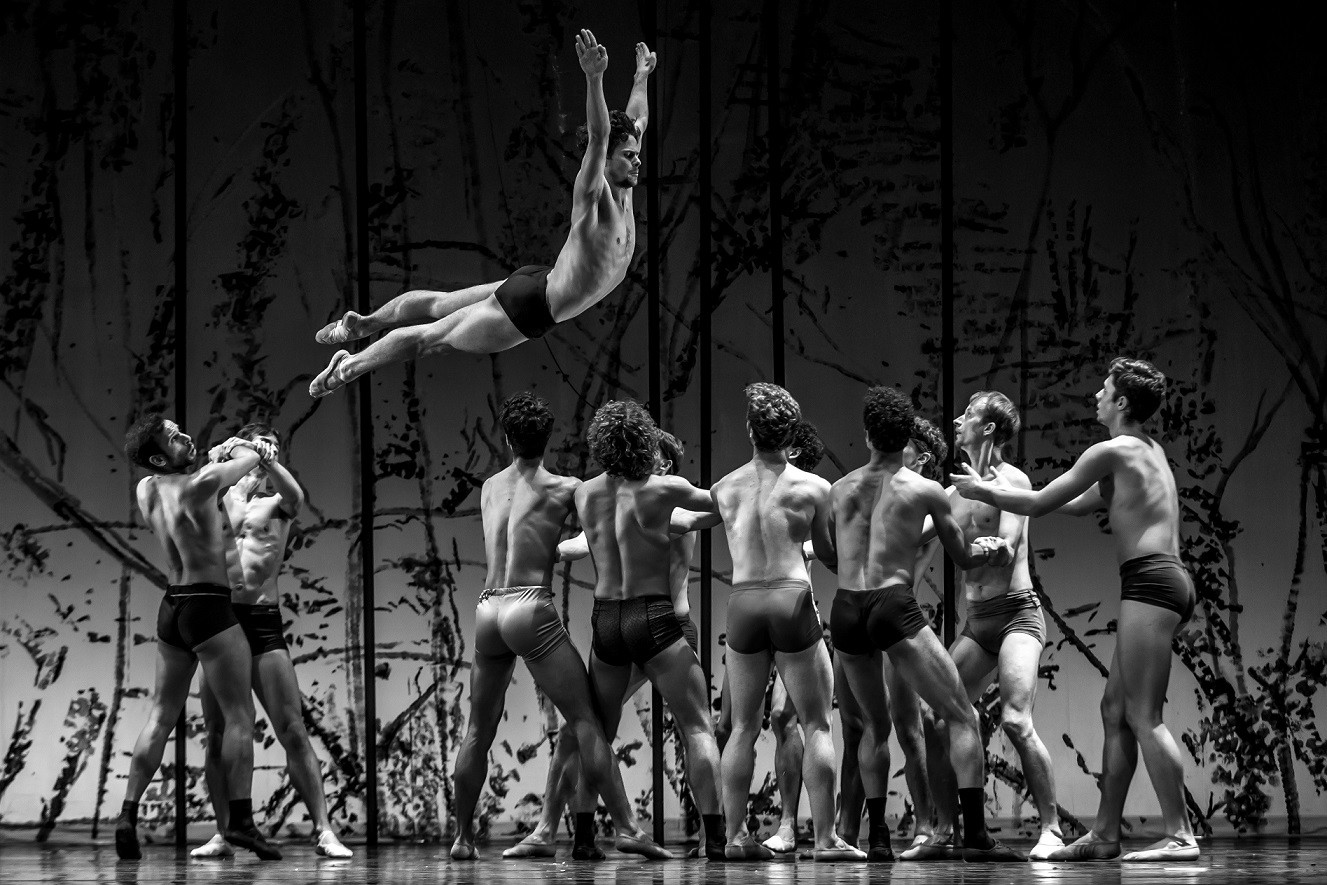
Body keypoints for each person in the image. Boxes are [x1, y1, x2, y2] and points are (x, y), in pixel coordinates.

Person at [309, 31, 655, 397]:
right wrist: (594, 78)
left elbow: (639, 117)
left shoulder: (625, 183)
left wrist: (641, 77)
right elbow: (599, 136)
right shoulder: (594, 194)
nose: (637, 161)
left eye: (636, 154)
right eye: (628, 156)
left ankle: (364, 324)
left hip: (539, 280)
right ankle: (346, 367)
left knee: (439, 304)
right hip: (534, 307)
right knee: (430, 338)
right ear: (604, 161)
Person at [952, 358, 1199, 863]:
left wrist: (984, 490)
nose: (1096, 396)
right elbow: (1073, 502)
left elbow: (1040, 503)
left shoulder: (1112, 449)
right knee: (1115, 711)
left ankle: (1180, 835)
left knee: (1143, 716)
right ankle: (1105, 834)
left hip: (1152, 583)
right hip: (1159, 582)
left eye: (1104, 390)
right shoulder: (1142, 452)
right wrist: (1008, 490)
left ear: (1122, 402)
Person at [447, 393, 669, 861]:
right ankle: (628, 827)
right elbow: (604, 521)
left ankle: (463, 839)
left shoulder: (489, 487)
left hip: (488, 608)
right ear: (547, 439)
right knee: (586, 719)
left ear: (507, 438)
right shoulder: (566, 488)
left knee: (477, 731)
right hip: (530, 606)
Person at [829, 386, 1021, 862]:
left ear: (868, 435)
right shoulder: (925, 490)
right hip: (893, 604)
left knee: (873, 727)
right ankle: (975, 836)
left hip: (847, 608)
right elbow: (962, 556)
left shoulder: (838, 488)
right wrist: (987, 550)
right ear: (905, 439)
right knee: (960, 715)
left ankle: (877, 838)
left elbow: (832, 555)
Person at [506, 430, 699, 859]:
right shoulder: (631, 501)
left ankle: (714, 837)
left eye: (650, 457)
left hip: (668, 627)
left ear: (666, 465)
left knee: (695, 730)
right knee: (585, 725)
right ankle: (567, 834)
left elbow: (689, 517)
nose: (640, 463)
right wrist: (543, 547)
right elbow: (580, 543)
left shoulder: (670, 502)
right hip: (630, 626)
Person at [691, 386, 862, 861]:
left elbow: (691, 521)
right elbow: (826, 554)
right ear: (791, 435)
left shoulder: (724, 487)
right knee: (817, 724)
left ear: (750, 430)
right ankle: (825, 840)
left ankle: (734, 838)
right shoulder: (814, 487)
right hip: (791, 598)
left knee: (742, 727)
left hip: (743, 602)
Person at [116, 416, 280, 861]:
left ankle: (127, 814)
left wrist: (216, 455)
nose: (186, 437)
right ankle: (241, 822)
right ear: (158, 458)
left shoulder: (146, 489)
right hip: (209, 606)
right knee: (239, 715)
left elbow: (218, 470)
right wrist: (234, 445)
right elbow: (251, 456)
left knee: (161, 714)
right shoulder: (202, 484)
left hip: (172, 607)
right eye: (174, 438)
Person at [574, 400, 728, 860]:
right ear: (644, 441)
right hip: (654, 616)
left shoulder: (584, 493)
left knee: (597, 728)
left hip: (606, 619)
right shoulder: (665, 489)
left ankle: (583, 838)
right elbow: (724, 505)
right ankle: (717, 842)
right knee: (697, 727)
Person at [191, 424, 353, 860]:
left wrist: (267, 458)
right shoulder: (218, 497)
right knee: (216, 733)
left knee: (292, 728)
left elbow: (297, 496)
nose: (267, 456)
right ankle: (224, 832)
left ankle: (324, 830)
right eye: (262, 448)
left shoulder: (277, 503)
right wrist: (224, 455)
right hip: (221, 620)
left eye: (274, 450)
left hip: (262, 620)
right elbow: (196, 492)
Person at [913, 392, 1064, 861]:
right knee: (933, 716)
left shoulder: (1011, 481)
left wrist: (988, 546)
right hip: (978, 624)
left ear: (989, 428)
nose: (958, 419)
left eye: (969, 414)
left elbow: (1009, 544)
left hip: (1017, 614)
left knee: (1016, 720)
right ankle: (945, 830)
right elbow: (909, 537)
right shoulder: (953, 494)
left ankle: (1052, 829)